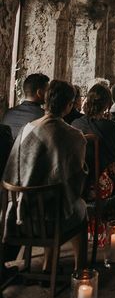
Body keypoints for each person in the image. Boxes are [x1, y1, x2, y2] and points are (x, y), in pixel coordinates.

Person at [2, 80, 88, 270]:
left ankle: (49, 264)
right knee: (79, 207)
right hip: (51, 221)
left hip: (20, 213)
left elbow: (13, 172)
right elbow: (73, 184)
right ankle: (80, 269)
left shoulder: (27, 129)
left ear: (46, 100)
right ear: (69, 106)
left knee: (51, 197)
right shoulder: (74, 135)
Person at [72, 84, 115, 175]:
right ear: (107, 105)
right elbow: (113, 157)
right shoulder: (113, 126)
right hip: (100, 175)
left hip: (79, 173)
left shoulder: (75, 123)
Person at [2, 73, 50, 140]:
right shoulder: (44, 117)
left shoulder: (8, 113)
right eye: (47, 91)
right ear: (39, 93)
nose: (49, 95)